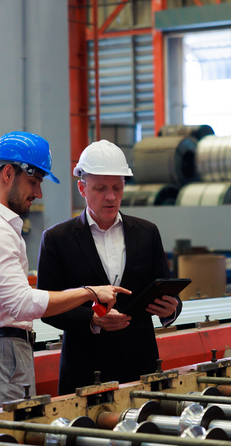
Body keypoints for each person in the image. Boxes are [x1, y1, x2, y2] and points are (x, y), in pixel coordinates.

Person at [0, 131, 128, 411]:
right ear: (8, 173)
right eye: (33, 182)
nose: (38, 193)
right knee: (9, 445)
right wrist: (88, 292)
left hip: (5, 351)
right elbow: (22, 303)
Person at [37, 139, 182, 395]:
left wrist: (171, 309)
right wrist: (92, 320)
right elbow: (48, 308)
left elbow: (164, 288)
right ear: (82, 188)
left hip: (141, 367)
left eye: (117, 187)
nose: (111, 196)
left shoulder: (147, 233)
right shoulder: (57, 240)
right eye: (100, 188)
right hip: (85, 371)